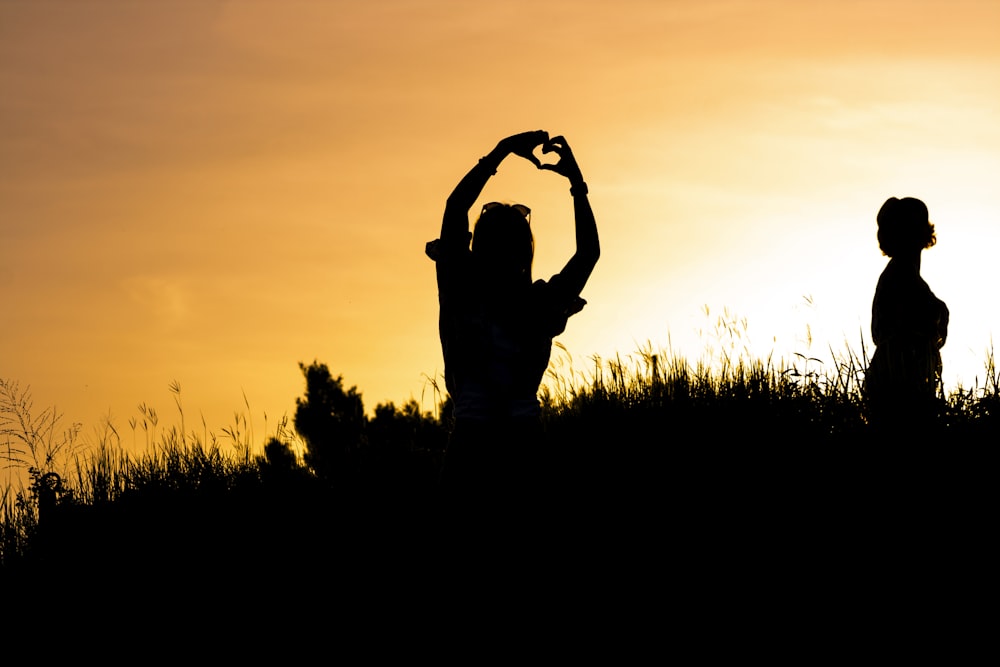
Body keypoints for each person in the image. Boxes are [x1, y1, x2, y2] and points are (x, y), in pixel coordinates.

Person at [426, 131, 599, 500]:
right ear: (525, 251)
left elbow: (455, 207)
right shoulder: (539, 303)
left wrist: (500, 152)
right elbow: (588, 254)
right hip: (525, 445)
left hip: (469, 446)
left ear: (478, 245)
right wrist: (576, 184)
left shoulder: (460, 287)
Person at [865, 196, 949, 436]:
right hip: (900, 386)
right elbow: (893, 335)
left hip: (898, 382)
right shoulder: (900, 277)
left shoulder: (900, 276)